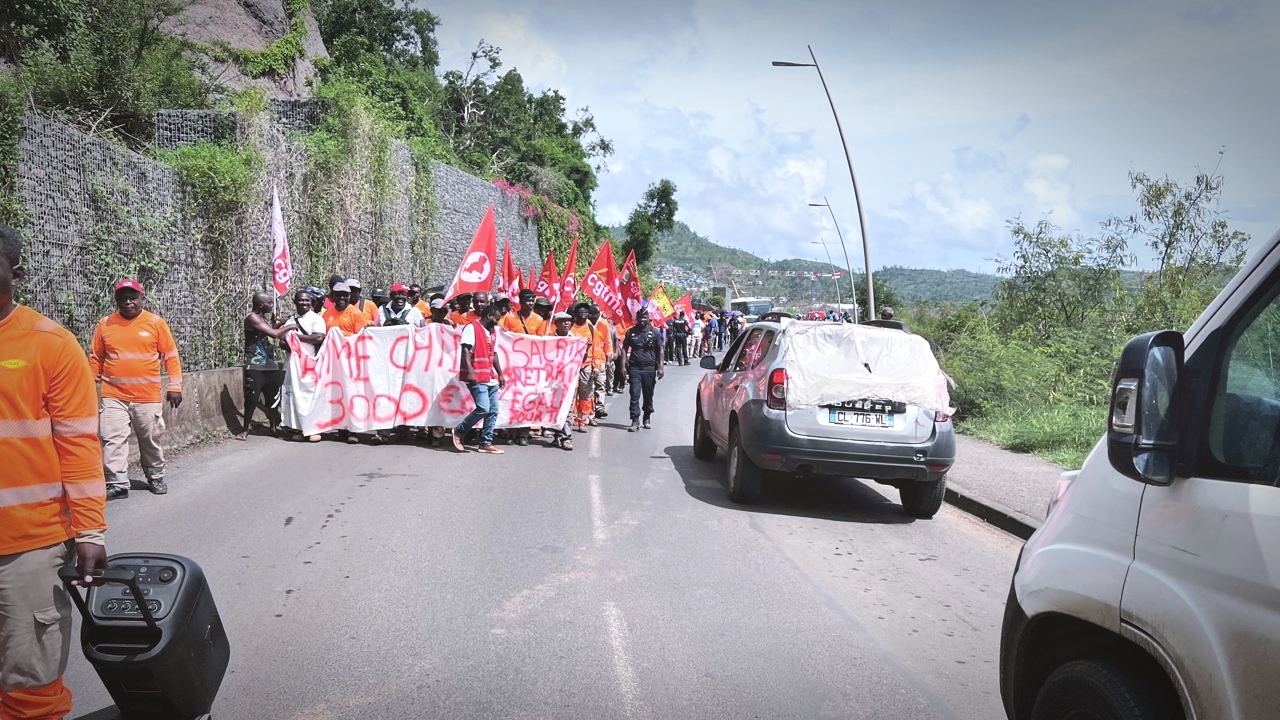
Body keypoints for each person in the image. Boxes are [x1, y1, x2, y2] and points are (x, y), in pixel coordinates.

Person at [0, 223, 108, 720]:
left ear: (15, 273)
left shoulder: (51, 345)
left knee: (30, 686)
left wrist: (88, 528)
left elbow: (79, 446)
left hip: (26, 548)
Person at [90, 278, 183, 499]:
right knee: (113, 438)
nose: (128, 301)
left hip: (147, 397)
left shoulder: (155, 323)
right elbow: (96, 357)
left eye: (133, 297)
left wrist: (175, 384)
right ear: (116, 300)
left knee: (149, 438)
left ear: (143, 299)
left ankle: (155, 476)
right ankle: (117, 483)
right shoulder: (105, 324)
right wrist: (88, 384)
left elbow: (170, 355)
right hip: (113, 395)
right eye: (123, 297)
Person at [237, 291, 292, 440]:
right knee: (252, 399)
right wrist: (290, 326)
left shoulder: (262, 319)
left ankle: (273, 427)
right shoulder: (252, 318)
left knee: (273, 399)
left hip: (270, 364)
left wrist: (278, 324)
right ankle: (245, 429)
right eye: (269, 303)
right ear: (261, 305)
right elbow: (274, 334)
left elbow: (270, 331)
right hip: (255, 366)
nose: (271, 305)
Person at [452, 303, 506, 454]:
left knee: (493, 410)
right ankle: (459, 431)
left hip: (490, 377)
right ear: (489, 317)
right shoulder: (471, 328)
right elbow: (465, 351)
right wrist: (470, 373)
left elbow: (494, 354)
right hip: (477, 376)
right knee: (483, 408)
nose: (497, 322)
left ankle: (485, 442)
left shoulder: (492, 332)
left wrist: (500, 374)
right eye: (496, 319)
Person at [278, 290, 326, 443]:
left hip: (310, 364)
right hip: (293, 364)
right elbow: (281, 341)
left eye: (307, 301)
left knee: (310, 396)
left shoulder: (316, 319)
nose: (304, 303)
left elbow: (318, 337)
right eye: (300, 300)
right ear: (295, 302)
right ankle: (298, 428)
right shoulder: (291, 320)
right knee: (295, 396)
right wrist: (291, 343)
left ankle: (313, 429)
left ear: (311, 303)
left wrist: (295, 337)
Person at [622, 308, 664, 431]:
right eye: (639, 318)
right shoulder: (631, 332)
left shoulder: (655, 332)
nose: (641, 320)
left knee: (648, 395)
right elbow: (624, 349)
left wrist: (661, 367)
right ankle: (635, 420)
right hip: (635, 369)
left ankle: (647, 416)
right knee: (634, 394)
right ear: (637, 318)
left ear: (648, 318)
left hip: (650, 369)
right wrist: (623, 367)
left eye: (644, 318)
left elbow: (660, 349)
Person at [569, 303, 608, 430]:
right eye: (580, 313)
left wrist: (596, 367)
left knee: (585, 394)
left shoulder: (592, 329)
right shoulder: (570, 328)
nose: (583, 316)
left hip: (587, 366)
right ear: (575, 315)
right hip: (572, 366)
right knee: (572, 394)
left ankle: (582, 420)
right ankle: (572, 418)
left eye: (585, 314)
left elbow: (597, 349)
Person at [547, 311, 576, 450]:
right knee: (555, 409)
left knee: (567, 409)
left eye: (569, 321)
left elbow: (580, 360)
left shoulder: (577, 340)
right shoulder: (549, 339)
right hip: (553, 381)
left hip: (569, 381)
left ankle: (566, 437)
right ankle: (558, 435)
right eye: (563, 321)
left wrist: (586, 348)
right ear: (556, 323)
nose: (567, 323)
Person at [586, 304, 612, 418]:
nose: (593, 316)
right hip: (587, 358)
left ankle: (600, 407)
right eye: (591, 314)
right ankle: (590, 408)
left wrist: (608, 359)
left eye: (595, 314)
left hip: (600, 358)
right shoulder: (585, 322)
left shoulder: (604, 323)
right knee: (588, 386)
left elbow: (608, 341)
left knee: (600, 383)